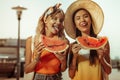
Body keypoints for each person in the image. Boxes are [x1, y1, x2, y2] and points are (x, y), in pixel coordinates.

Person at [64, 0, 112, 80]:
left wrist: (101, 58)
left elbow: (109, 71)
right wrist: (75, 57)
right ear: (75, 24)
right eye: (78, 18)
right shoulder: (73, 46)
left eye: (85, 16)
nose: (82, 20)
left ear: (91, 20)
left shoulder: (103, 42)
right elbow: (71, 75)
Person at [24, 3, 69, 80]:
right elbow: (27, 70)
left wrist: (63, 60)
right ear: (45, 19)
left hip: (57, 77)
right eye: (54, 18)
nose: (58, 22)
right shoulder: (31, 40)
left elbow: (63, 69)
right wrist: (36, 58)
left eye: (61, 20)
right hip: (38, 77)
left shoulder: (65, 42)